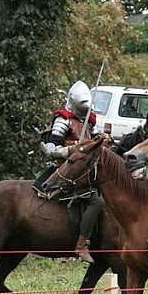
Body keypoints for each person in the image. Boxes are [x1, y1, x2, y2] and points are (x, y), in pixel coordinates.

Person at [36, 80, 104, 264]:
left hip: (86, 169)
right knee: (96, 202)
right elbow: (50, 149)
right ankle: (81, 245)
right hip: (67, 170)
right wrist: (70, 150)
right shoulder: (63, 119)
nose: (83, 114)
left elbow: (96, 141)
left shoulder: (89, 121)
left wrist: (103, 141)